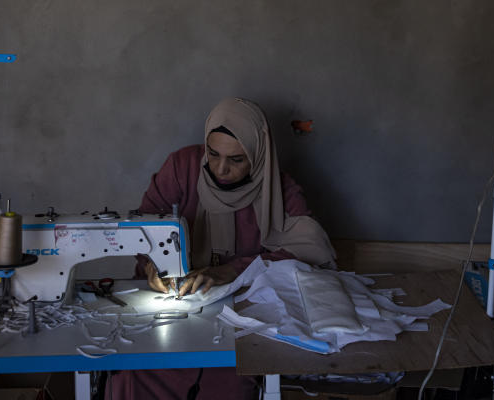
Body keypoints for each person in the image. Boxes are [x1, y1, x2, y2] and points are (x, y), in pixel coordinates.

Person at [105, 97, 335, 400]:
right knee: (143, 368)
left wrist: (231, 272)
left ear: (259, 155)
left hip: (241, 321)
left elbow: (309, 254)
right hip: (176, 313)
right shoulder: (181, 168)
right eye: (212, 154)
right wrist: (152, 265)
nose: (220, 169)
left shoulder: (278, 191)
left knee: (229, 379)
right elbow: (144, 228)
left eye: (237, 159)